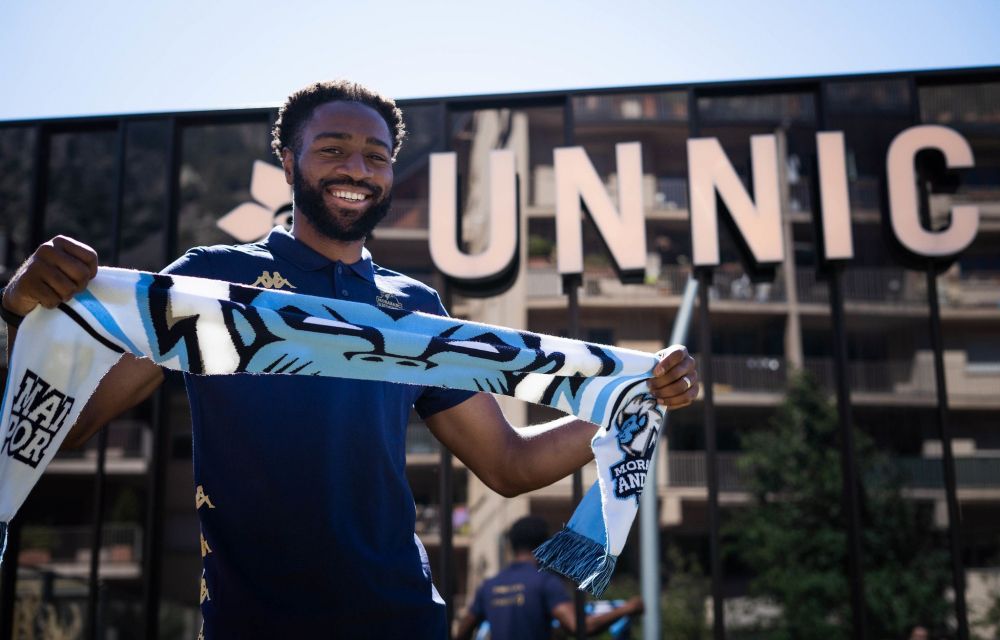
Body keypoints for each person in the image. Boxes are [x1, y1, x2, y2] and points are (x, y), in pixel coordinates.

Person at [1, 80, 700, 639]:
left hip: (403, 619)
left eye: (376, 156)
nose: (357, 170)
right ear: (288, 162)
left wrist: (634, 397)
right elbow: (64, 423)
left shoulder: (414, 307)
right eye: (332, 149)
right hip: (254, 624)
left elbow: (509, 465)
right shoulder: (210, 281)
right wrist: (19, 315)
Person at [454, 516, 643, 640]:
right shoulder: (544, 583)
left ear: (512, 545)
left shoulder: (489, 586)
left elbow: (462, 633)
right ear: (544, 545)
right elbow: (578, 626)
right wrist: (628, 608)